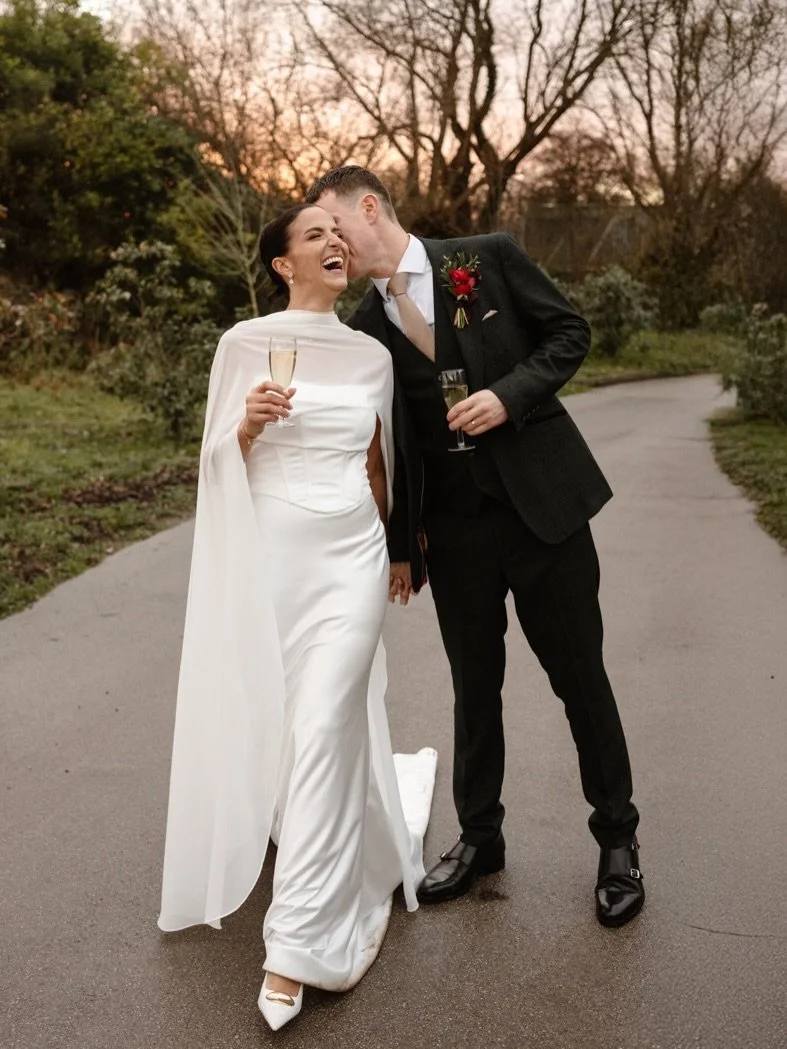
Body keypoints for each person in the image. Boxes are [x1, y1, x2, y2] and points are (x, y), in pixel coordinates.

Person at [305, 166, 645, 928]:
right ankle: (480, 838)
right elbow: (383, 446)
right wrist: (402, 546)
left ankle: (618, 839)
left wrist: (511, 394)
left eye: (334, 226)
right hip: (453, 532)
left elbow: (569, 333)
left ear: (369, 207)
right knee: (472, 688)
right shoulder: (363, 329)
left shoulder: (484, 257)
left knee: (579, 679)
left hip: (541, 513)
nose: (332, 243)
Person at [157, 203, 437, 1031]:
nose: (333, 241)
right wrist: (243, 426)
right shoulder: (242, 344)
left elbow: (376, 460)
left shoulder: (370, 354)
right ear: (282, 263)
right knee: (286, 724)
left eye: (338, 231)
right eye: (313, 233)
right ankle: (308, 827)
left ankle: (297, 946)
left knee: (322, 723)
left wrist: (396, 549)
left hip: (349, 558)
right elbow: (214, 466)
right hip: (273, 557)